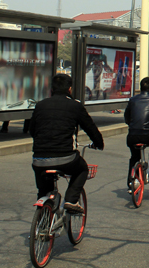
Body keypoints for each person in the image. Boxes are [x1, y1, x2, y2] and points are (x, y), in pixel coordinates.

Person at [30, 73, 104, 213]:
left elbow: (32, 130)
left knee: (44, 190)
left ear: (52, 89)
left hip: (39, 160)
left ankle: (42, 221)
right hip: (65, 158)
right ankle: (71, 200)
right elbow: (90, 128)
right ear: (69, 89)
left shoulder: (40, 105)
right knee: (82, 169)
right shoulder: (75, 106)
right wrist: (98, 143)